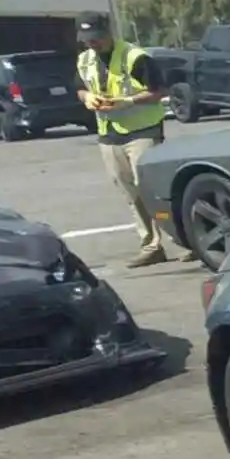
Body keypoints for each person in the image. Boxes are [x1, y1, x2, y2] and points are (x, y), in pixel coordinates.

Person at [76, 14, 171, 268]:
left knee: (151, 186)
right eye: (86, 40)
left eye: (95, 38)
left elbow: (160, 90)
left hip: (143, 130)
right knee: (129, 191)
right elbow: (80, 86)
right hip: (109, 134)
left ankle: (186, 241)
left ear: (108, 32)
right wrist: (87, 97)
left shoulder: (135, 57)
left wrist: (127, 102)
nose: (91, 44)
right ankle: (151, 245)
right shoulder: (84, 60)